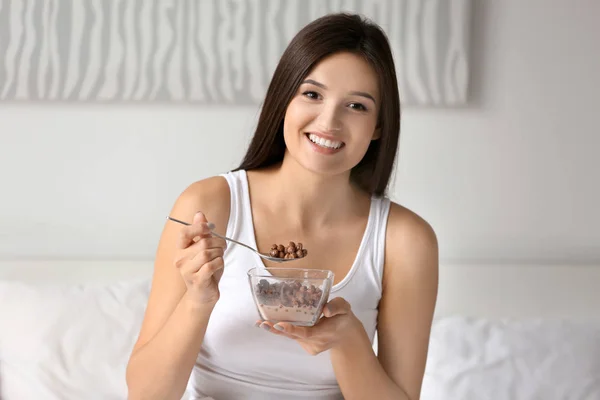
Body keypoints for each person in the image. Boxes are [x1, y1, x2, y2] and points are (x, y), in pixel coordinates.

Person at [126, 12, 438, 400]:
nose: (329, 121)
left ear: (378, 126)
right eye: (312, 94)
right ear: (284, 99)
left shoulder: (405, 241)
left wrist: (349, 342)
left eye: (356, 106)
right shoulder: (208, 206)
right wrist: (197, 300)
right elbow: (145, 394)